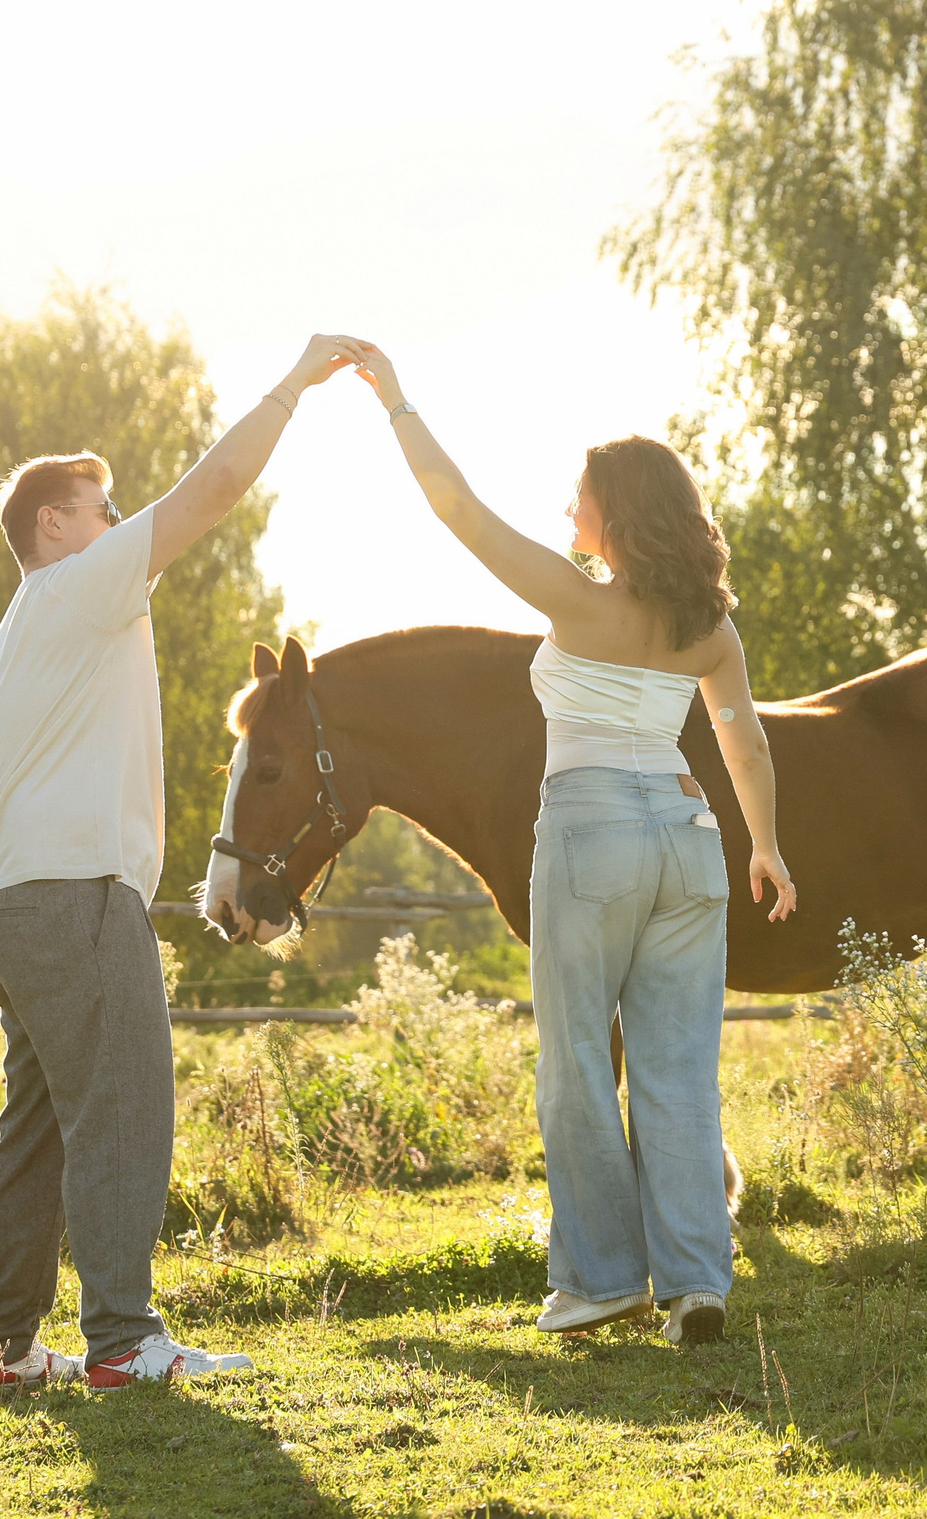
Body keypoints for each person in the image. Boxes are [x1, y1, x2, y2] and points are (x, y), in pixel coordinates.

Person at [348, 340, 797, 1347]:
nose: (566, 511)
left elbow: (458, 511)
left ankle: (602, 1280)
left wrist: (398, 402)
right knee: (679, 1070)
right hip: (690, 836)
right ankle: (697, 1283)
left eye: (580, 499)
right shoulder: (712, 629)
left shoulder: (577, 599)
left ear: (617, 515)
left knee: (580, 1066)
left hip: (591, 832)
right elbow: (745, 742)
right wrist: (764, 847)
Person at [0, 334, 364, 1390]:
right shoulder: (77, 588)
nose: (118, 522)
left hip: (7, 909)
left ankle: (2, 1348)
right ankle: (124, 1341)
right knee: (125, 1109)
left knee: (36, 1127)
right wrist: (293, 383)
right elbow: (214, 489)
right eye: (101, 508)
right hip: (76, 900)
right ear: (54, 526)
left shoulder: (8, 644)